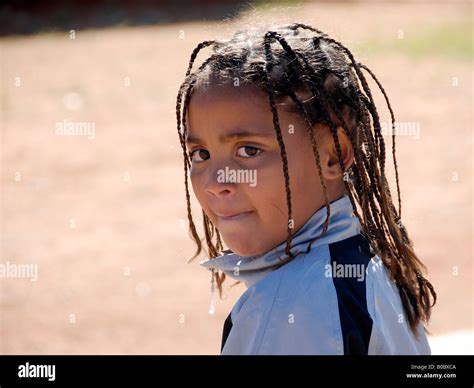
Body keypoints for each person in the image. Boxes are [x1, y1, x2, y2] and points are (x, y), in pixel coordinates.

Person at [175, 22, 436, 355]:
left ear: (334, 155)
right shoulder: (365, 264)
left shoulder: (292, 304)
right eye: (201, 155)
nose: (215, 183)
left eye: (249, 150)